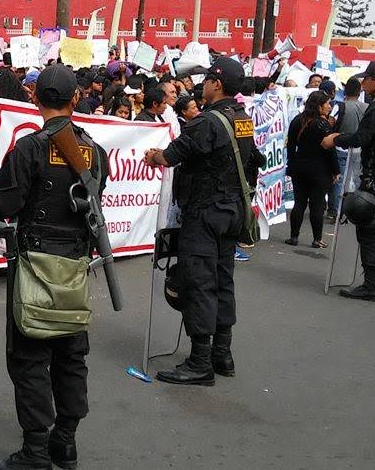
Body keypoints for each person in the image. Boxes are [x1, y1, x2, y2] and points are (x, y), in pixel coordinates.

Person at [0, 65, 107, 470]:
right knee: (72, 355)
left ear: (35, 99)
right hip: (74, 267)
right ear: (75, 99)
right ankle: (65, 443)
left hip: (35, 265)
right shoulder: (95, 151)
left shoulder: (29, 148)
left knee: (30, 357)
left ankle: (36, 452)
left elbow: (2, 205)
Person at [143, 57, 264, 386]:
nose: (204, 85)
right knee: (223, 279)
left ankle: (200, 361)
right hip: (231, 212)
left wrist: (153, 155)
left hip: (206, 212)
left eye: (208, 79)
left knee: (199, 281)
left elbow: (169, 156)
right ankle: (222, 354)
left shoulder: (207, 122)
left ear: (217, 84)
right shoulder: (242, 119)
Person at [321, 62, 375, 301]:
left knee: (371, 230)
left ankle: (372, 286)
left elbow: (362, 137)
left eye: (366, 79)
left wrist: (335, 138)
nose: (363, 84)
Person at [285, 91, 339, 248]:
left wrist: (291, 164)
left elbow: (290, 145)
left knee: (299, 203)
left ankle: (293, 237)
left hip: (299, 167)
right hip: (319, 170)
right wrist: (335, 170)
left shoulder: (297, 120)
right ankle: (317, 239)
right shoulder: (323, 125)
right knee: (317, 204)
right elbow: (330, 149)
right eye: (327, 104)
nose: (329, 107)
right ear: (319, 106)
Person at [327, 76, 368, 222]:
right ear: (360, 91)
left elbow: (330, 124)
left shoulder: (340, 106)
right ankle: (354, 209)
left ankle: (337, 211)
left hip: (340, 147)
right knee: (356, 179)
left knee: (338, 180)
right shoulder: (366, 107)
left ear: (345, 90)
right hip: (359, 148)